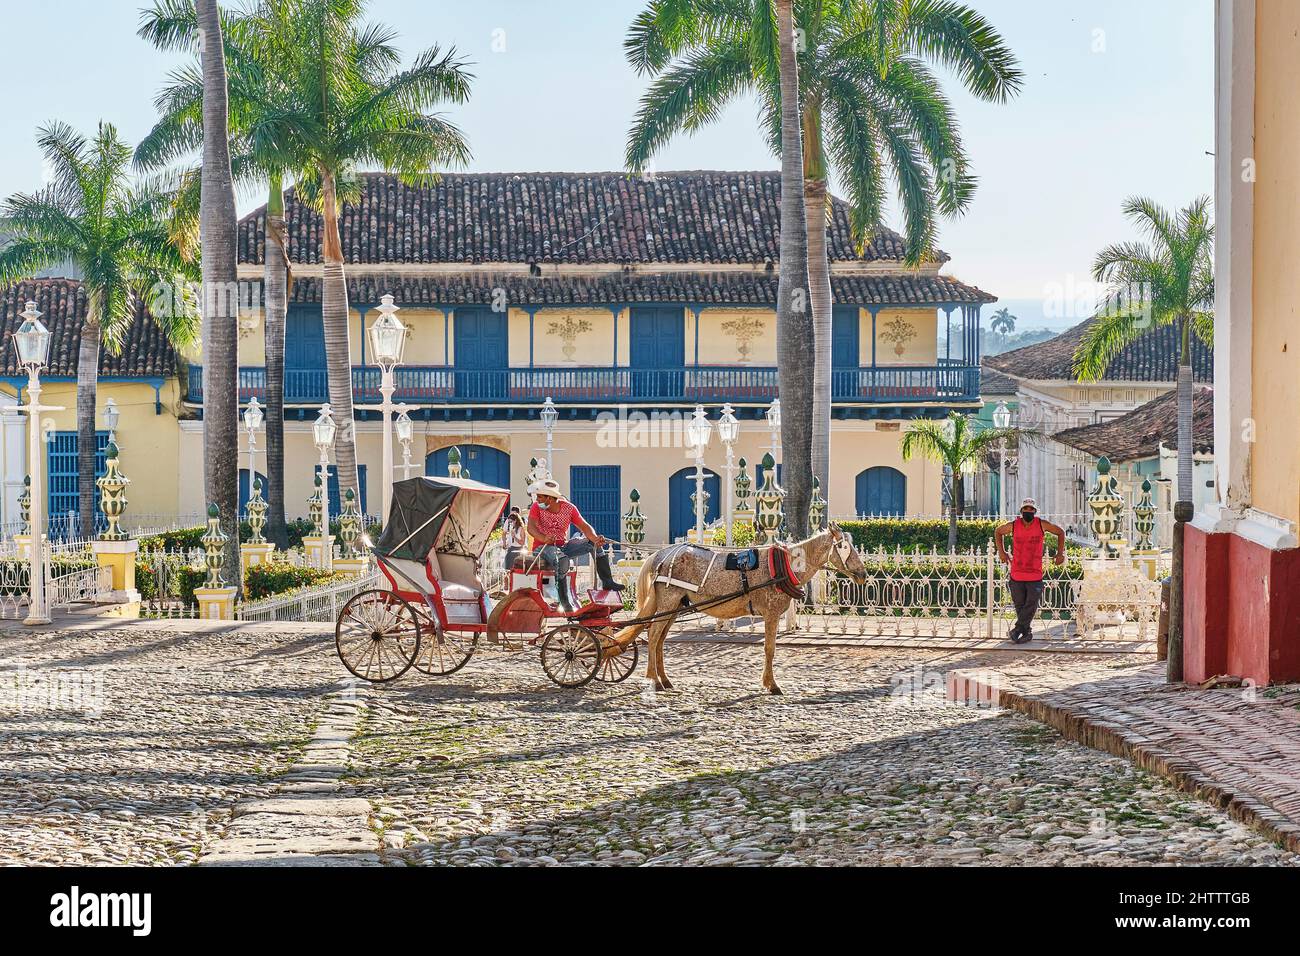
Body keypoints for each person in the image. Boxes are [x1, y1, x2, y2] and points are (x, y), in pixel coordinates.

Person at [526, 477, 624, 611]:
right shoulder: (536, 507)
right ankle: (564, 602)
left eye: (540, 497)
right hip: (542, 547)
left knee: (593, 544)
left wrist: (595, 538)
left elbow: (584, 526)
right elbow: (530, 528)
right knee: (562, 559)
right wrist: (544, 538)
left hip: (562, 546)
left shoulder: (569, 508)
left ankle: (607, 582)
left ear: (549, 498)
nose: (537, 500)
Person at [994, 498, 1066, 644]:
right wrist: (1001, 552)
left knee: (1031, 604)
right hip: (1017, 572)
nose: (1028, 511)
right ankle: (1026, 633)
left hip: (1035, 573)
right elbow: (998, 532)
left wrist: (1060, 553)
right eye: (1026, 509)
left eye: (1031, 509)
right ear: (1021, 511)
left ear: (1035, 511)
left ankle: (1017, 630)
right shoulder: (1014, 525)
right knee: (1020, 605)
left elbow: (1060, 532)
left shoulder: (1041, 524)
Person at [500, 506, 525, 571]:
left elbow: (522, 542)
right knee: (508, 570)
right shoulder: (509, 524)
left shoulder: (521, 527)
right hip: (511, 549)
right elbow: (504, 533)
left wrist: (514, 537)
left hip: (519, 550)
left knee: (517, 570)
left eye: (512, 521)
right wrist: (504, 543)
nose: (510, 522)